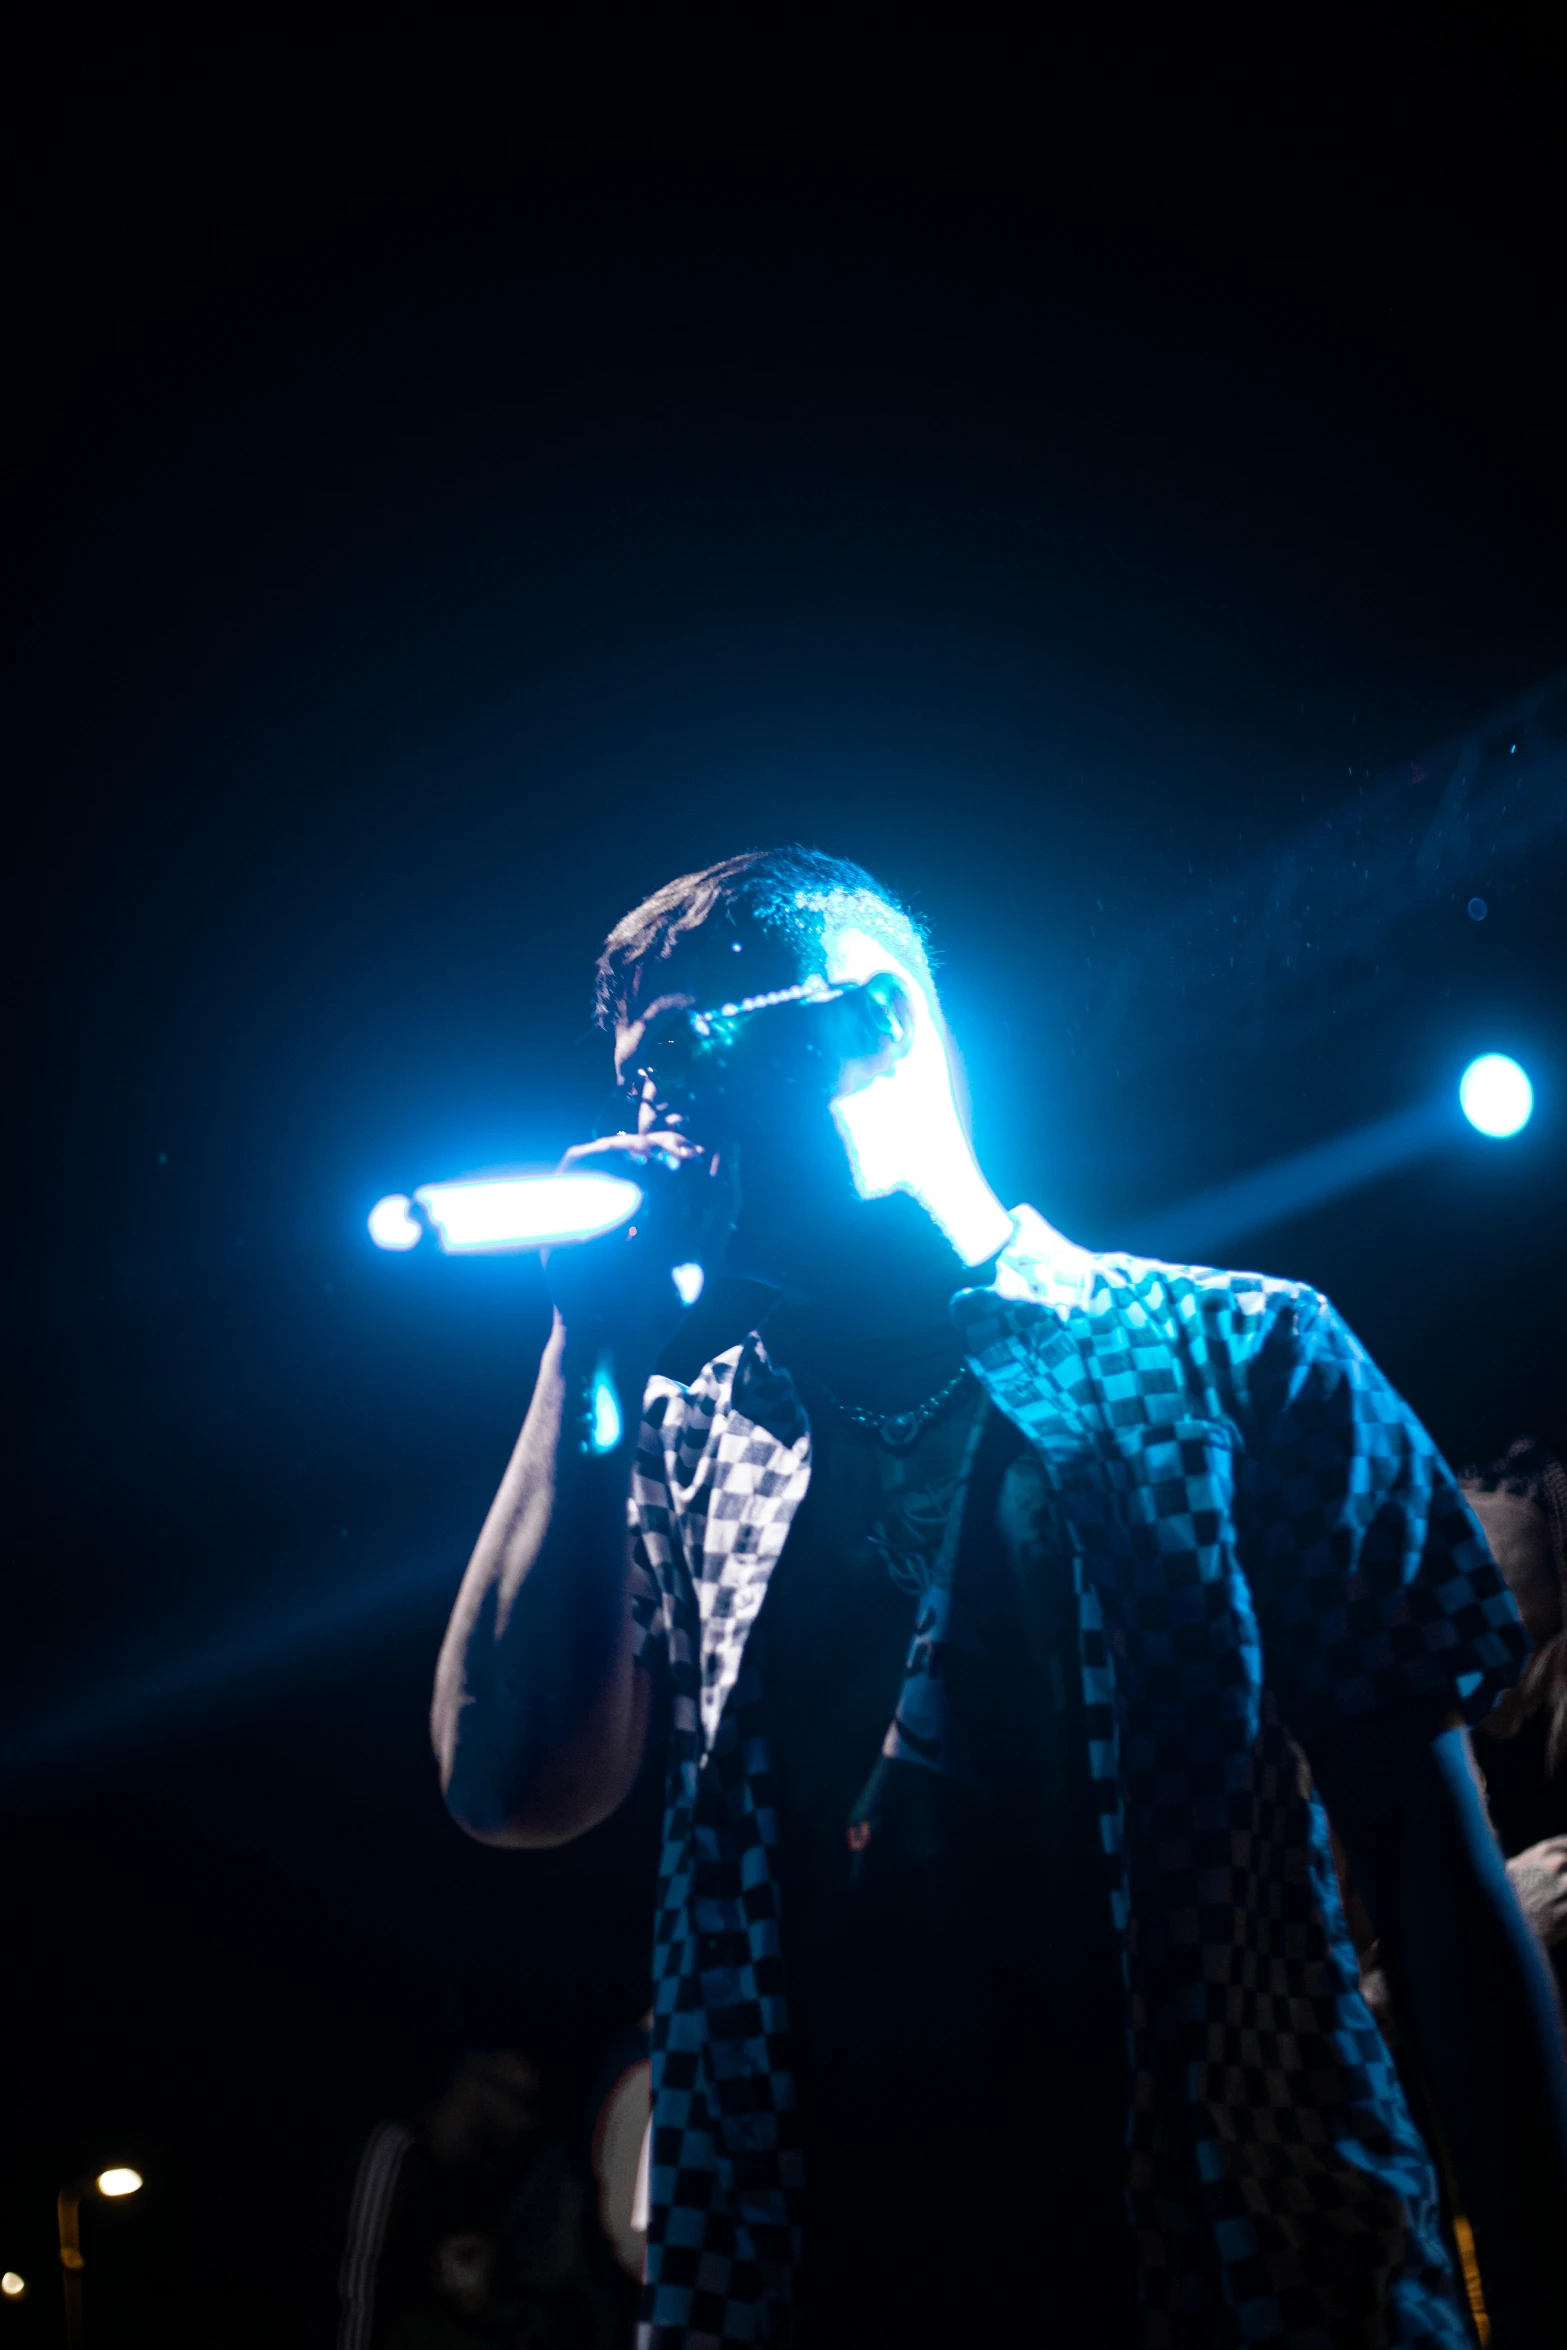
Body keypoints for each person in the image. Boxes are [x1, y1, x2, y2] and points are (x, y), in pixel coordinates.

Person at [431, 847, 1567, 2348]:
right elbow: (510, 1785)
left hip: (1244, 2278)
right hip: (818, 2291)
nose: (651, 1120)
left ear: (874, 1024)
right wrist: (588, 1346)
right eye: (630, 1079)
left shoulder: (1246, 1361)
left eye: (689, 1051)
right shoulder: (677, 1441)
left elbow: (1434, 1874)